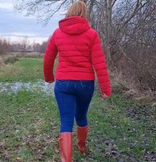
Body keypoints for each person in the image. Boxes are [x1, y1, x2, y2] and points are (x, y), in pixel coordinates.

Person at [43, 1, 112, 161]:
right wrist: (105, 89)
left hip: (63, 84)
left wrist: (49, 78)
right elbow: (100, 64)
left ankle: (66, 159)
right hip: (85, 84)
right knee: (81, 117)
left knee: (66, 122)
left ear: (68, 13)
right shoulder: (91, 34)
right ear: (84, 14)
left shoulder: (57, 33)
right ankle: (81, 146)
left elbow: (48, 59)